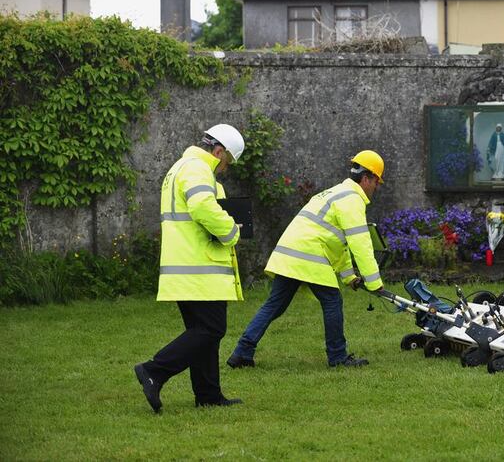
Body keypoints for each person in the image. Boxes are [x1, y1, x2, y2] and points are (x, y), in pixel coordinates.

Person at [227, 150, 385, 369]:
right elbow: (360, 244)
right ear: (367, 178)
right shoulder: (352, 200)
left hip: (289, 253)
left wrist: (349, 277)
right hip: (309, 255)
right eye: (376, 182)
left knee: (274, 305)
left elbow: (338, 243)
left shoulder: (333, 193)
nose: (376, 188)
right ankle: (338, 357)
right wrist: (375, 282)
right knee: (332, 301)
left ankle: (242, 353)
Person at [134, 124, 245, 413]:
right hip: (200, 267)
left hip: (186, 267)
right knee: (210, 330)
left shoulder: (180, 167)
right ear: (218, 151)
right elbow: (202, 207)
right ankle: (153, 371)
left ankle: (208, 395)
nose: (225, 169)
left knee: (202, 331)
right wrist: (232, 232)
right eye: (227, 162)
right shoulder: (197, 168)